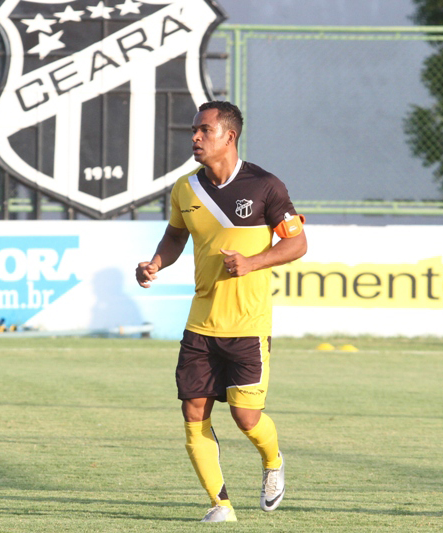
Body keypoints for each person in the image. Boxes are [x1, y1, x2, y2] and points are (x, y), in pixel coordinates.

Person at [135, 101, 307, 523]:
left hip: (248, 325)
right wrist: (156, 262)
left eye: (204, 130)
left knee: (246, 418)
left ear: (228, 136)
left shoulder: (266, 186)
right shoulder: (185, 189)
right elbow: (175, 236)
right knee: (193, 412)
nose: (194, 137)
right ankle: (221, 505)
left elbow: (297, 244)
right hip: (200, 324)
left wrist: (252, 262)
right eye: (194, 130)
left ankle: (272, 462)